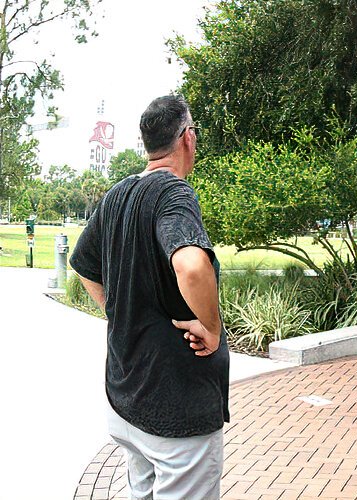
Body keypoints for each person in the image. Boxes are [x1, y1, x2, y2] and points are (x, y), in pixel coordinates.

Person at [69, 95, 228, 498]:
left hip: (127, 400)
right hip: (173, 408)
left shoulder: (118, 194)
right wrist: (211, 327)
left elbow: (84, 265)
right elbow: (191, 266)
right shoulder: (173, 193)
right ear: (187, 138)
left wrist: (117, 311)